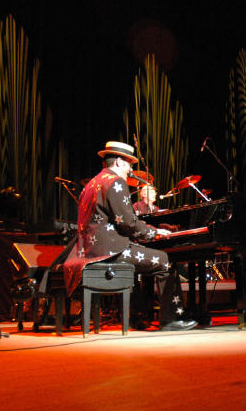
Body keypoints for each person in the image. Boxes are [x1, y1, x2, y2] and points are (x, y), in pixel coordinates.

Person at [62, 141, 197, 331]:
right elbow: (127, 222)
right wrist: (154, 232)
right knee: (165, 260)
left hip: (89, 251)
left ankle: (138, 316)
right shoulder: (115, 182)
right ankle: (171, 319)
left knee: (144, 259)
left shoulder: (91, 184)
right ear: (119, 162)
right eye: (129, 164)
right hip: (110, 251)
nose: (130, 170)